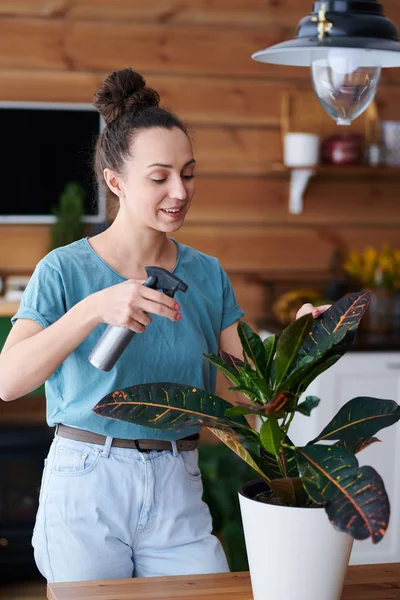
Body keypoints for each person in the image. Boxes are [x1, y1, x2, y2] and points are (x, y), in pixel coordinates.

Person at [0, 68, 328, 584]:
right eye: (159, 177)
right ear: (115, 182)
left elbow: (245, 390)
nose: (179, 190)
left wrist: (299, 345)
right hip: (87, 479)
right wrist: (93, 309)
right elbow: (9, 381)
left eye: (189, 173)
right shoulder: (64, 270)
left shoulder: (206, 273)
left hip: (178, 478)